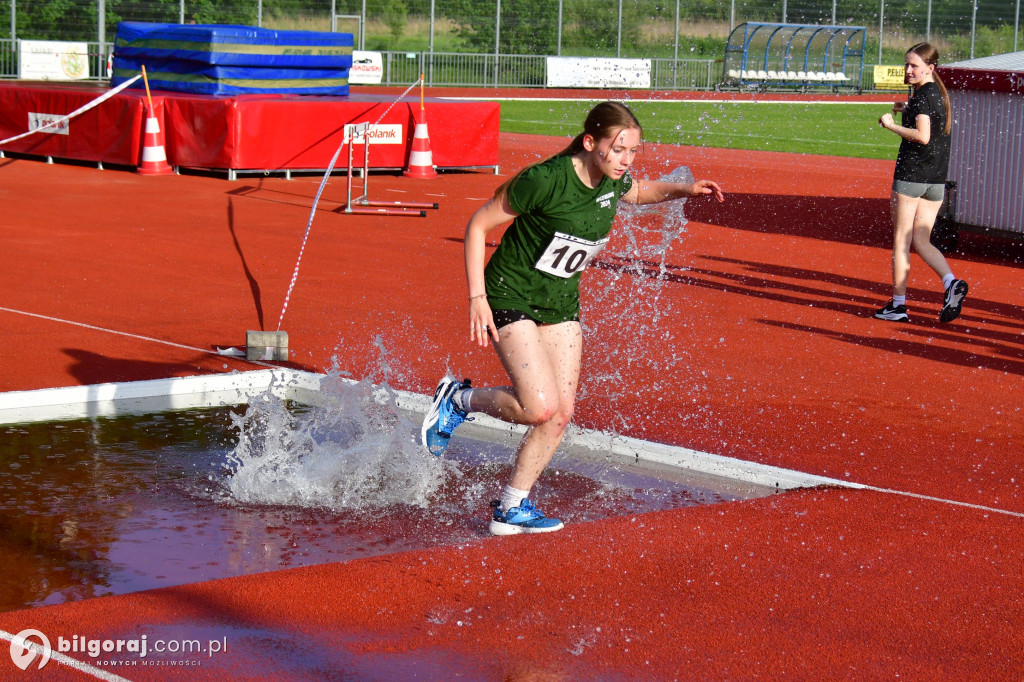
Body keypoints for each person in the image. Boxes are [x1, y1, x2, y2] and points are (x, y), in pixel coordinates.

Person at [420, 101, 724, 536]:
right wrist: (477, 296)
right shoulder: (546, 179)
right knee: (538, 407)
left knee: (560, 415)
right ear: (590, 142)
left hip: (560, 304)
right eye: (619, 150)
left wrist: (684, 190)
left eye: (633, 151)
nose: (627, 160)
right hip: (511, 293)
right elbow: (477, 225)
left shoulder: (612, 181)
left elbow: (639, 193)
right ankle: (456, 400)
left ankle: (511, 506)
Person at [875, 42, 968, 324]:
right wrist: (908, 109)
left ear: (930, 67)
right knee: (921, 239)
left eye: (914, 65)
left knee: (902, 240)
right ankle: (951, 283)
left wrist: (891, 125)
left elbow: (923, 136)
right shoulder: (937, 93)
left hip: (912, 176)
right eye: (906, 64)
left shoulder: (923, 96)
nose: (908, 70)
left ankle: (898, 305)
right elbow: (929, 123)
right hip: (935, 180)